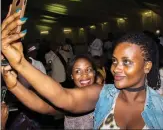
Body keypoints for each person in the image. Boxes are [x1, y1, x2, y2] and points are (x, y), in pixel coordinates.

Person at [1, 8, 163, 129]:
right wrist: (16, 78)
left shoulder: (159, 104)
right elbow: (62, 99)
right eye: (114, 61)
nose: (116, 68)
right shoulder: (105, 94)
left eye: (126, 62)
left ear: (147, 66)